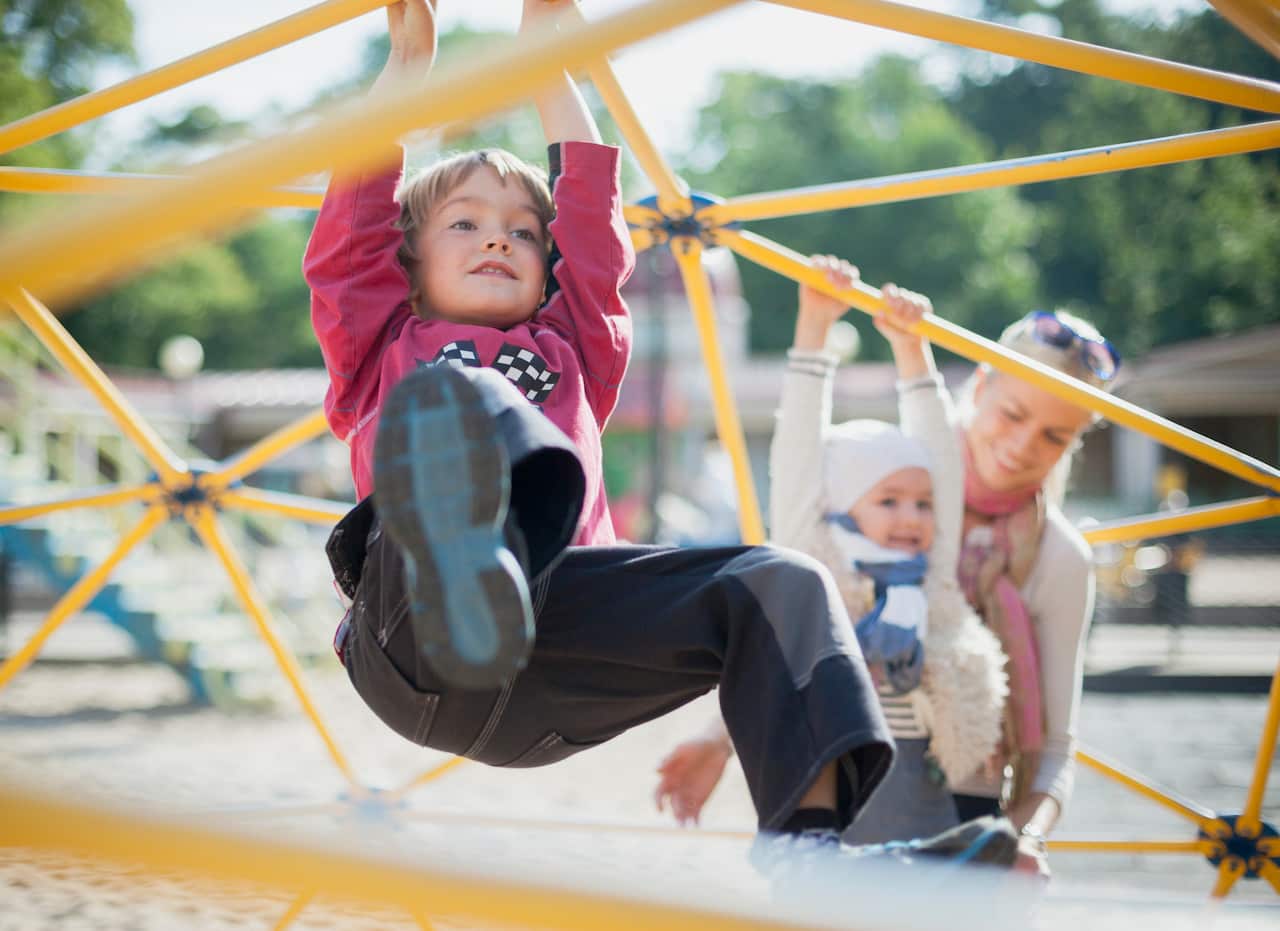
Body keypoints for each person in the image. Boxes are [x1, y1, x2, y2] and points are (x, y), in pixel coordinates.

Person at [305, 0, 994, 862]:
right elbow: (348, 232)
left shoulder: (573, 351)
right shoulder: (380, 347)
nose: (500, 240)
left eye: (524, 230)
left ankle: (812, 852)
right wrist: (408, 68)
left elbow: (592, 217)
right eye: (466, 223)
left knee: (782, 581)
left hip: (553, 658)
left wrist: (553, 58)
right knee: (461, 396)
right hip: (413, 644)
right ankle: (467, 570)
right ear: (406, 263)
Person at [657, 283, 1120, 877]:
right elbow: (808, 615)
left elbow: (1055, 746)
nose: (1023, 445)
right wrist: (718, 739)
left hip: (960, 799)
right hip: (853, 777)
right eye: (1013, 414)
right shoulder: (887, 486)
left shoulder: (1054, 556)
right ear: (978, 389)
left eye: (1056, 435)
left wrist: (1022, 839)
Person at [658, 257, 1008, 845]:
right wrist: (814, 327)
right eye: (889, 500)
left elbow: (941, 465)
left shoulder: (930, 582)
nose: (912, 518)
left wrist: (910, 351)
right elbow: (796, 456)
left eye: (923, 505)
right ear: (840, 505)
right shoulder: (820, 576)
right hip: (838, 826)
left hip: (944, 816)